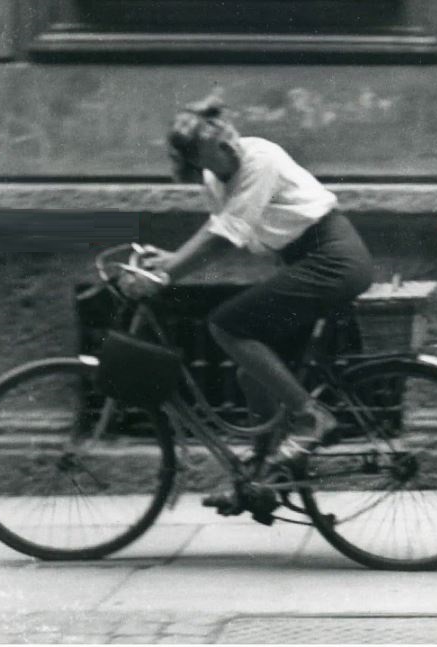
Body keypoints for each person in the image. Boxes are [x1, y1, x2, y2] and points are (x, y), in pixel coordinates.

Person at [119, 100, 374, 513]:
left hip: (333, 260)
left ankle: (313, 418)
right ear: (197, 159)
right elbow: (220, 229)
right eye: (217, 147)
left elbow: (227, 233)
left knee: (227, 325)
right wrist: (171, 259)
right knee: (252, 373)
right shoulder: (215, 180)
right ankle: (261, 478)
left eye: (228, 138)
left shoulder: (261, 158)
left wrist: (170, 270)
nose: (230, 148)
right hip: (308, 263)